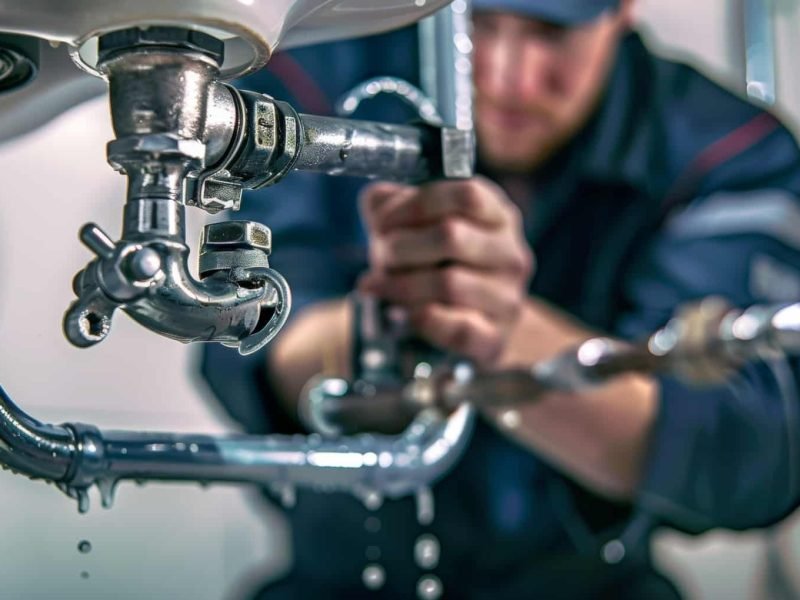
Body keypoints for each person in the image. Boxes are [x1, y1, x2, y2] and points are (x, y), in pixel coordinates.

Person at [202, 1, 800, 597]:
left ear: (622, 11)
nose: (507, 76)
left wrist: (489, 321)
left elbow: (748, 455)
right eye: (475, 23)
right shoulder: (309, 86)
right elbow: (248, 343)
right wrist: (389, 322)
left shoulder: (726, 151)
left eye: (551, 32)